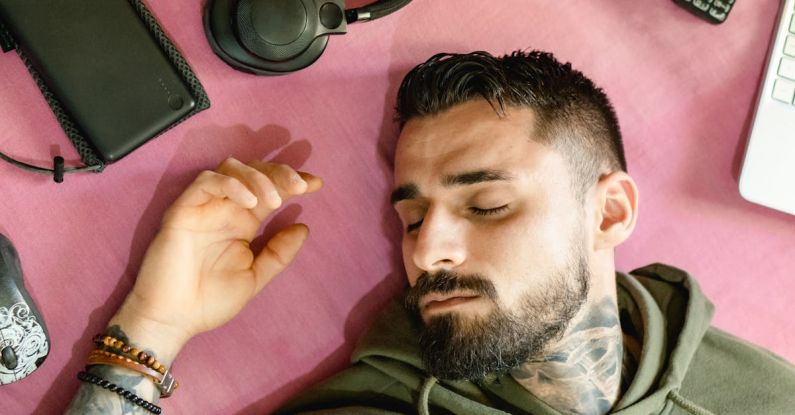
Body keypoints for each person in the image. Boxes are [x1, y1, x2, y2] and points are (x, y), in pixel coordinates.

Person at [66, 51, 795, 415]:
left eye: (485, 206)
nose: (425, 250)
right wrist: (152, 326)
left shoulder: (765, 394)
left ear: (606, 213)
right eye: (410, 216)